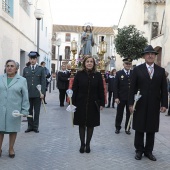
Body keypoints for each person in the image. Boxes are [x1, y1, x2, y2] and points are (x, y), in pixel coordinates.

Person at [129, 45, 168, 161]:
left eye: (153, 54)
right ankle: (139, 150)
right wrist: (131, 104)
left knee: (151, 128)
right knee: (140, 127)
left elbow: (164, 89)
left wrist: (164, 104)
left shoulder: (161, 71)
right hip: (139, 103)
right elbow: (132, 88)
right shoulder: (137, 70)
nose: (150, 55)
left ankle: (149, 151)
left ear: (155, 56)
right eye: (148, 54)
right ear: (144, 56)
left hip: (154, 104)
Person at [72, 55, 105, 153]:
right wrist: (72, 103)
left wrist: (102, 103)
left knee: (91, 125)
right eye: (87, 62)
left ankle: (88, 144)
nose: (89, 63)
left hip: (93, 103)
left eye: (91, 61)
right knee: (81, 124)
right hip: (80, 103)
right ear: (84, 63)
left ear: (94, 64)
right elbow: (74, 89)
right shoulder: (79, 74)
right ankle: (82, 144)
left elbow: (101, 90)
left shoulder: (98, 75)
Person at [0, 60, 29, 158]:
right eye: (7, 65)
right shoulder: (0, 78)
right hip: (1, 109)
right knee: (0, 130)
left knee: (12, 130)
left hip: (14, 110)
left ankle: (11, 148)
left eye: (12, 66)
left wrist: (25, 110)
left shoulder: (22, 80)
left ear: (16, 69)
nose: (9, 68)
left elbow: (25, 96)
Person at [23, 51, 46, 133]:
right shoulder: (26, 69)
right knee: (29, 111)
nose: (32, 60)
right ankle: (30, 126)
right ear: (29, 59)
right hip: (28, 94)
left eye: (34, 59)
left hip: (37, 94)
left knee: (37, 111)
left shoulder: (41, 69)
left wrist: (42, 92)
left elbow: (43, 81)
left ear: (36, 59)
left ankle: (35, 127)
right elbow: (23, 82)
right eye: (31, 59)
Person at [114, 58, 133, 135]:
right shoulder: (119, 73)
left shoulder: (133, 73)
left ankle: (127, 128)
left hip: (130, 98)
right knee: (119, 113)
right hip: (121, 98)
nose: (128, 65)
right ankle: (117, 127)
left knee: (129, 113)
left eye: (129, 64)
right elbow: (115, 86)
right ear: (123, 64)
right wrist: (116, 97)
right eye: (126, 64)